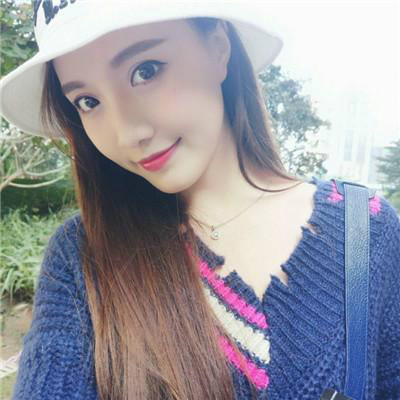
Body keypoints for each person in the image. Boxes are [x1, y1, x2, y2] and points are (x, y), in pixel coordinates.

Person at [0, 1, 398, 399]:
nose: (127, 133)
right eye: (88, 101)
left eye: (145, 71)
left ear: (219, 46)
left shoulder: (364, 231)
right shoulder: (83, 258)